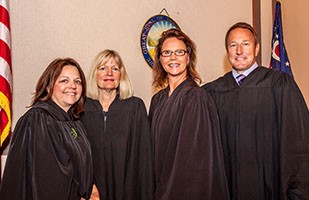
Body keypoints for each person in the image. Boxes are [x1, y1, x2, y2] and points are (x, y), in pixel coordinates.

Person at [203, 22, 309, 200]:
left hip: (270, 185)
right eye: (233, 45)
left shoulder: (279, 84)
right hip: (227, 186)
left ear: (257, 48)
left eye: (246, 44)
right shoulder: (213, 91)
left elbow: (297, 141)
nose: (239, 51)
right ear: (227, 51)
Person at [149, 28, 229, 200]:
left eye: (179, 52)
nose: (173, 58)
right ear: (160, 59)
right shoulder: (157, 101)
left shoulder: (195, 98)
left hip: (183, 192)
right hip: (160, 186)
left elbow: (193, 161)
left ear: (188, 57)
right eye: (167, 53)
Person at [0, 58, 93, 200]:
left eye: (77, 81)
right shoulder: (39, 120)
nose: (72, 86)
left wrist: (91, 189)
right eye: (64, 80)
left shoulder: (75, 123)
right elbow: (47, 182)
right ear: (49, 86)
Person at [80, 49, 154, 200]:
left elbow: (143, 157)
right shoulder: (81, 109)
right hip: (92, 191)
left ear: (121, 75)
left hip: (128, 190)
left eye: (115, 68)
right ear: (95, 74)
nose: (109, 73)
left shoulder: (134, 107)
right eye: (103, 68)